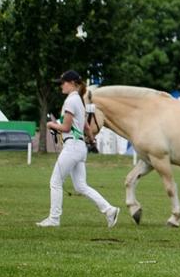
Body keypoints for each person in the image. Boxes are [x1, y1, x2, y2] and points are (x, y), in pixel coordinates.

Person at [37, 71, 119, 228]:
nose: (61, 86)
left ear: (72, 83)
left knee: (55, 182)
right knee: (81, 186)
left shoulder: (70, 101)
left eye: (63, 83)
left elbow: (66, 127)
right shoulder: (79, 101)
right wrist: (91, 139)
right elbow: (86, 126)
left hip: (72, 146)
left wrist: (51, 125)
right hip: (80, 146)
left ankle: (54, 219)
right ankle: (109, 210)